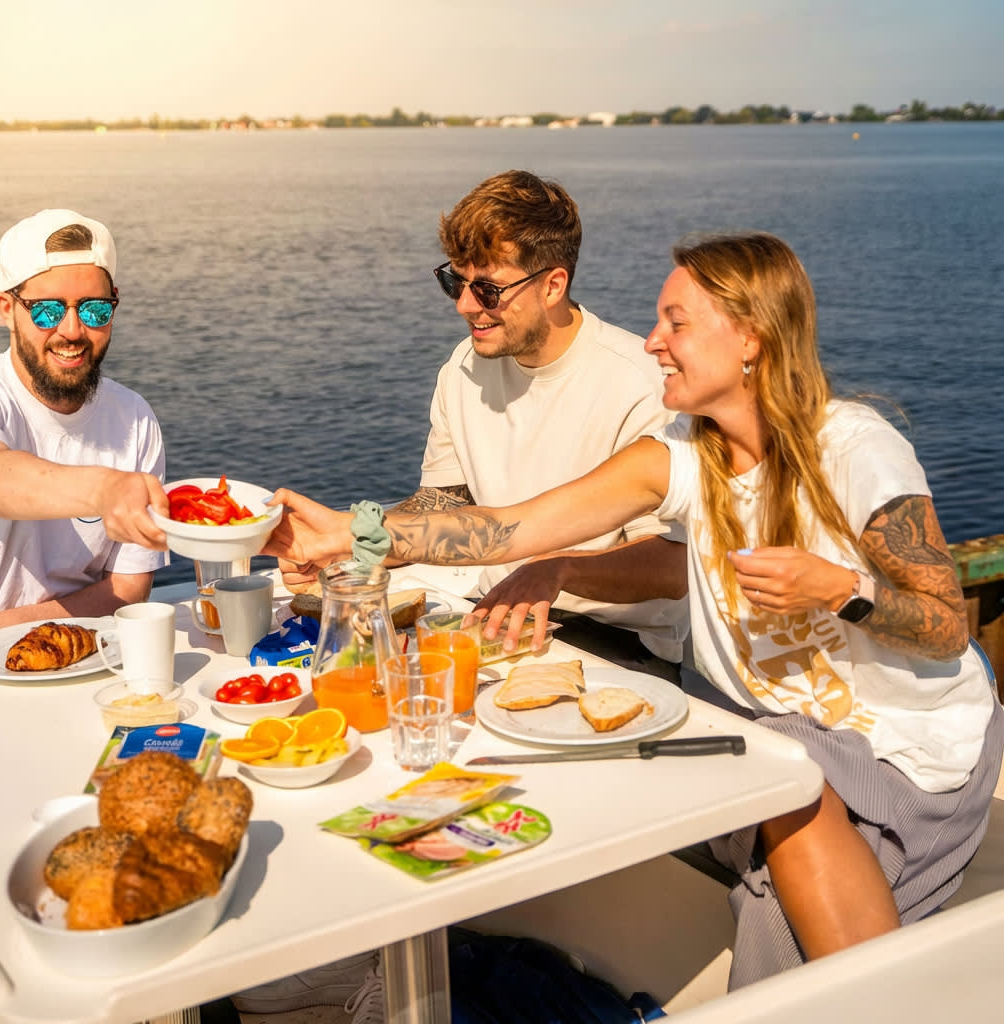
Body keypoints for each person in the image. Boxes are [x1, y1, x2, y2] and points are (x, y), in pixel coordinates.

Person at [263, 231, 1004, 987]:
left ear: (751, 338)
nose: (652, 342)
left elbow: (947, 626)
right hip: (777, 726)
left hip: (904, 742)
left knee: (789, 802)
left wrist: (842, 591)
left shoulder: (852, 448)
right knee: (757, 776)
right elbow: (516, 526)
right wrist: (357, 534)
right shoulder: (682, 455)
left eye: (676, 323)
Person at [278, 168, 688, 678]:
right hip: (492, 616)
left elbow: (672, 564)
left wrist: (555, 572)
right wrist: (354, 549)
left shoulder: (642, 384)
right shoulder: (463, 368)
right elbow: (444, 503)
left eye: (488, 289)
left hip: (618, 642)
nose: (464, 305)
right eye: (455, 281)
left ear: (553, 285)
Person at [0, 208, 169, 636]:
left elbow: (128, 587)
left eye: (94, 310)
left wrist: (22, 638)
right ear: (6, 309)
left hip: (80, 648)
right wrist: (105, 490)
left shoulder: (134, 418)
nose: (72, 330)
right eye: (47, 311)